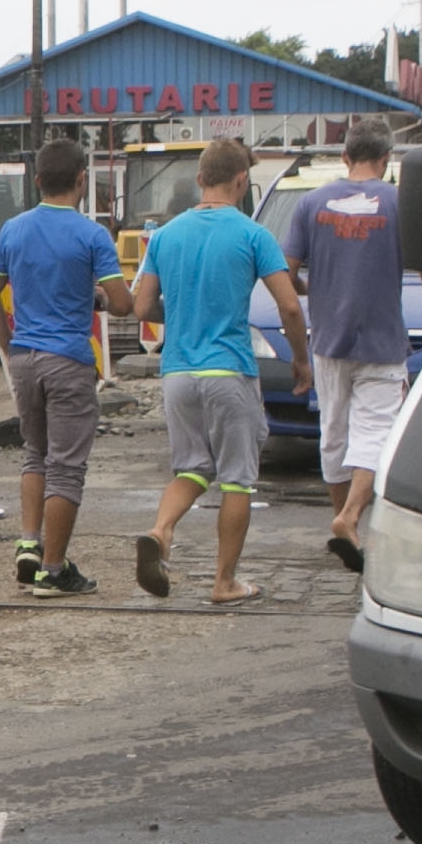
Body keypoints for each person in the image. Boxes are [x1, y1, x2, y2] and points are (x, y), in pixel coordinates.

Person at [130, 137, 312, 607]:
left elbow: (142, 307)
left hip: (177, 374)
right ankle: (225, 582)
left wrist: (184, 314)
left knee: (192, 468)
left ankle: (161, 530)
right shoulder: (253, 235)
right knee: (236, 479)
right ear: (241, 181)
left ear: (199, 180)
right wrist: (300, 359)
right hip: (229, 370)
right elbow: (290, 306)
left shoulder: (165, 236)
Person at [281, 131, 422, 570]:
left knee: (334, 434)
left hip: (328, 339)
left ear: (344, 156)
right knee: (374, 433)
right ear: (387, 158)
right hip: (382, 340)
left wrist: (315, 287)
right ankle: (351, 517)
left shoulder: (310, 203)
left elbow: (287, 275)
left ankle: (342, 521)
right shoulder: (401, 202)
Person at [0, 137, 131, 599]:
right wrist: (100, 297)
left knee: (35, 453)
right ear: (82, 179)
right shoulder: (92, 235)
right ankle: (53, 570)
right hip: (68, 361)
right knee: (66, 467)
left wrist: (9, 346)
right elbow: (123, 304)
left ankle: (30, 543)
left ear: (39, 180)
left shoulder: (14, 229)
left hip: (24, 358)